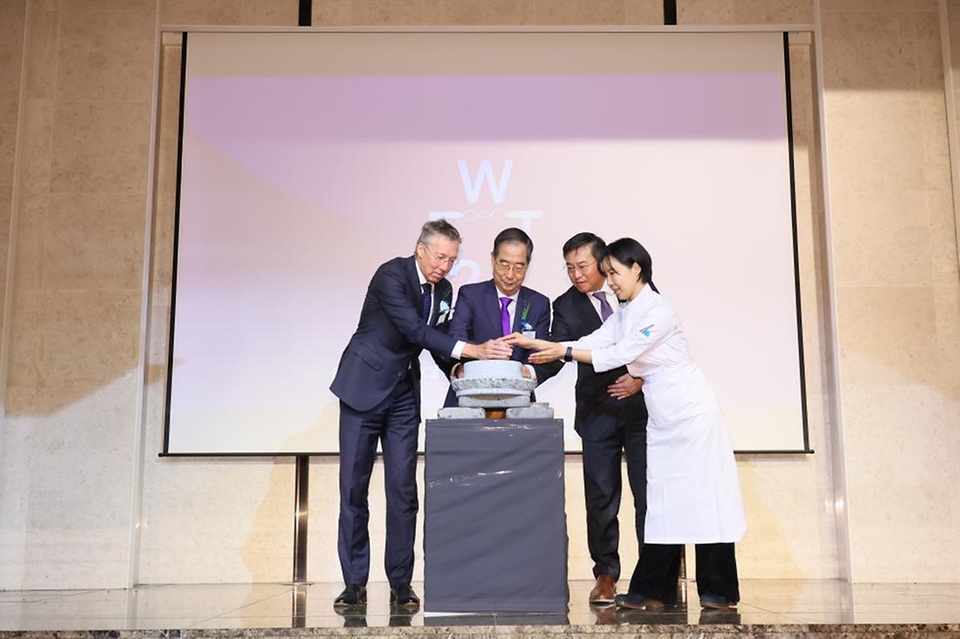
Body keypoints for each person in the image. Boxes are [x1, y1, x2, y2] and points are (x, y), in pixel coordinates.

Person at [506, 237, 746, 611]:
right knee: (664, 503)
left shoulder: (657, 311)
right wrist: (546, 347)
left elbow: (620, 353)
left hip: (690, 414)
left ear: (637, 268)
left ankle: (718, 589)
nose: (610, 281)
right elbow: (593, 340)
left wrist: (565, 351)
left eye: (613, 273)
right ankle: (655, 589)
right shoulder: (626, 312)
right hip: (664, 419)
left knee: (703, 497)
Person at [329, 220, 512, 611]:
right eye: (440, 257)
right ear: (420, 249)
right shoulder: (390, 274)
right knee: (353, 491)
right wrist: (474, 351)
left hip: (401, 396)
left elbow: (437, 344)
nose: (445, 266)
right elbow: (413, 330)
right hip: (363, 388)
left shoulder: (442, 289)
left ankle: (401, 583)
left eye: (452, 259)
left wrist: (457, 370)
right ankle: (353, 584)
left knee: (403, 492)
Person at [535, 233, 647, 606]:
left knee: (649, 495)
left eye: (583, 266)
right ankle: (606, 573)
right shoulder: (564, 304)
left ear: (603, 263)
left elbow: (657, 342)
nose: (576, 274)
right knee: (601, 498)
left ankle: (653, 574)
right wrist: (526, 376)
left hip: (642, 410)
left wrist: (640, 376)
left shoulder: (635, 292)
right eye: (569, 267)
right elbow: (559, 352)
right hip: (597, 412)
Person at [442, 227, 551, 406]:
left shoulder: (539, 303)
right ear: (493, 259)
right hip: (470, 395)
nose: (510, 275)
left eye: (518, 267)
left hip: (519, 399)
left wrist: (525, 371)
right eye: (504, 264)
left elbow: (539, 353)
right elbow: (456, 337)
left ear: (527, 265)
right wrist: (478, 356)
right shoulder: (471, 295)